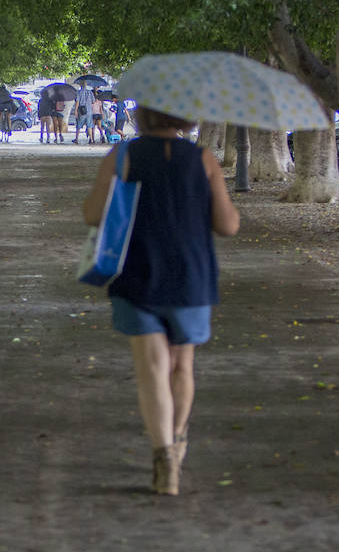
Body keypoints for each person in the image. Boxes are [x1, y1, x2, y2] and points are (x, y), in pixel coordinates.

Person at [81, 105, 240, 496]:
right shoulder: (202, 158)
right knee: (182, 366)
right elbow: (228, 225)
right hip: (192, 276)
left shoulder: (120, 156)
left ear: (142, 115)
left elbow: (91, 214)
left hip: (136, 273)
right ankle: (179, 436)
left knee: (153, 367)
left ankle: (163, 458)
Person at [73, 80, 97, 144]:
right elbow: (93, 102)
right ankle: (91, 139)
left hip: (81, 111)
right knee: (89, 125)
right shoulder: (90, 92)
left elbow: (77, 102)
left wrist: (75, 110)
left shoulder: (79, 92)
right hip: (89, 111)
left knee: (79, 125)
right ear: (86, 85)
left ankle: (76, 138)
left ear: (80, 85)